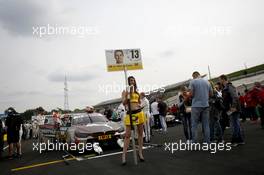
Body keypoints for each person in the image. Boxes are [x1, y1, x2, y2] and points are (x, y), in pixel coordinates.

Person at [121, 76, 145, 165]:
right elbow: (124, 103)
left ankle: (140, 153)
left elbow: (139, 102)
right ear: (128, 82)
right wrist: (128, 95)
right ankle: (123, 156)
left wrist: (140, 105)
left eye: (133, 80)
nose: (132, 81)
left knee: (140, 134)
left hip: (139, 113)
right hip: (130, 115)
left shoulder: (137, 92)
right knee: (127, 135)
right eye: (131, 80)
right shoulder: (125, 91)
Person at [219, 75, 245, 146]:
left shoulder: (229, 87)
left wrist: (233, 106)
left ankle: (235, 141)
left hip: (233, 108)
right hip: (231, 108)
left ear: (223, 79)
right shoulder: (227, 87)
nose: (219, 81)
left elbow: (235, 97)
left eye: (220, 79)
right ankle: (240, 140)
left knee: (234, 124)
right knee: (236, 124)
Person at [189, 71, 212, 143]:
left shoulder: (192, 82)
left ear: (194, 76)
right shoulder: (207, 82)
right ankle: (207, 142)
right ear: (199, 75)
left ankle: (194, 142)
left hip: (196, 105)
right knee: (206, 125)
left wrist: (190, 96)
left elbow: (191, 94)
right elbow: (211, 94)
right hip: (206, 105)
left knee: (194, 125)